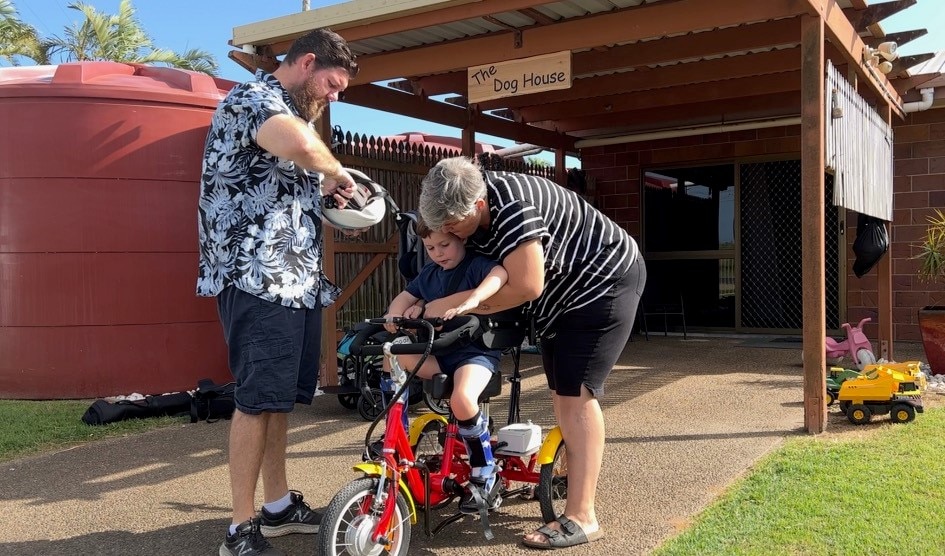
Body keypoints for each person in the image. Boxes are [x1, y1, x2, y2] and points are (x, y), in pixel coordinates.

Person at [418, 157, 646, 550]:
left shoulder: (513, 206)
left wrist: (452, 304)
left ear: (477, 205)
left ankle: (583, 516)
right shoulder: (471, 204)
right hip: (562, 297)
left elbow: (526, 286)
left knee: (576, 394)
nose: (448, 233)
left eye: (452, 226)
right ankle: (571, 482)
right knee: (561, 394)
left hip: (601, 283)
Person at [196, 28, 359, 556]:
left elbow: (287, 184)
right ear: (307, 63)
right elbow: (302, 146)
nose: (333, 97)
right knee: (254, 401)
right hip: (257, 278)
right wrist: (337, 172)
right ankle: (239, 529)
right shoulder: (252, 99)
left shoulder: (288, 116)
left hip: (294, 282)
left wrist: (328, 193)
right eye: (332, 85)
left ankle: (277, 505)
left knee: (277, 400)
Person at [382, 219, 509, 514]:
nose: (438, 253)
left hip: (474, 355)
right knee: (393, 353)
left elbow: (500, 274)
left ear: (461, 238)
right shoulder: (430, 273)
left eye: (444, 244)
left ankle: (485, 470)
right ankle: (393, 436)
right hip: (440, 354)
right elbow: (406, 295)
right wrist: (394, 315)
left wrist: (475, 297)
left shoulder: (475, 265)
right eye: (430, 248)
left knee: (461, 399)